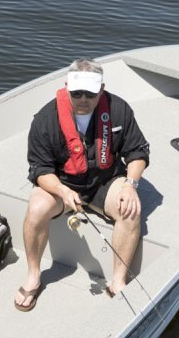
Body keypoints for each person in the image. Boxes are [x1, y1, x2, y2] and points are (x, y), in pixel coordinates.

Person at [14, 58, 150, 311]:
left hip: (105, 181)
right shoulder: (45, 119)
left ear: (102, 89)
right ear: (67, 87)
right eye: (77, 93)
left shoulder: (119, 109)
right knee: (36, 208)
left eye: (90, 93)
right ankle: (33, 276)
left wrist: (130, 185)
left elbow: (138, 152)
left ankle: (118, 281)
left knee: (131, 210)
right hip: (62, 185)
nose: (83, 99)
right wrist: (63, 191)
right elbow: (40, 170)